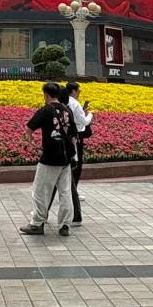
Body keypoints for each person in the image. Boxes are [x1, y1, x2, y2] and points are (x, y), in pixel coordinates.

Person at [19, 81, 75, 237]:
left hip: (49, 158)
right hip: (65, 158)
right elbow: (73, 136)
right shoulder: (67, 111)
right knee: (65, 192)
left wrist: (29, 139)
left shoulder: (45, 110)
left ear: (46, 95)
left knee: (40, 191)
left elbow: (29, 128)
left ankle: (37, 223)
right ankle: (64, 225)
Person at [65, 81, 93, 225]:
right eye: (78, 90)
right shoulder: (75, 104)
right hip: (76, 137)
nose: (79, 92)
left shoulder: (66, 103)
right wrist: (90, 115)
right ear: (74, 91)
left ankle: (71, 193)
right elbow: (84, 121)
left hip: (68, 138)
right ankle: (73, 192)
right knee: (76, 165)